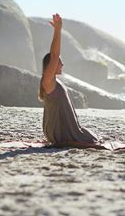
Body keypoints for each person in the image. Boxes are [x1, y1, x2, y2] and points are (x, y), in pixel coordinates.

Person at [38, 14, 99, 146]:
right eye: (59, 62)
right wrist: (58, 30)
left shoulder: (54, 82)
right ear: (51, 65)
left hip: (58, 131)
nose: (62, 64)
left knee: (92, 136)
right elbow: (54, 55)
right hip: (57, 132)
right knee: (90, 139)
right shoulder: (48, 81)